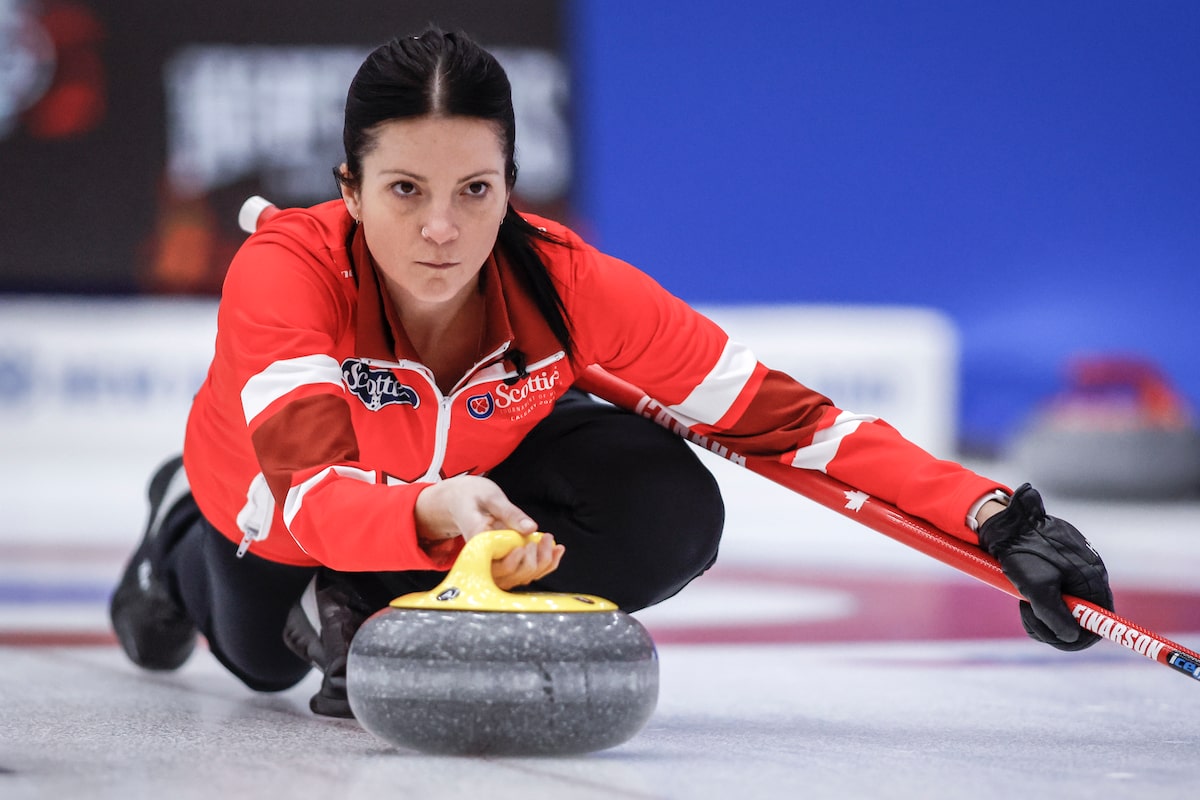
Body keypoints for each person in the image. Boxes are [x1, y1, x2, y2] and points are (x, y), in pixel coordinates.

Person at [110, 27, 1113, 718]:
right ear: (349, 188)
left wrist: (998, 523)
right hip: (271, 501)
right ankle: (173, 535)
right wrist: (427, 511)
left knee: (669, 506)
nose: (442, 229)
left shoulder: (565, 282)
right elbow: (318, 490)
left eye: (475, 189)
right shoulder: (284, 272)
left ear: (513, 186)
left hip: (455, 497)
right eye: (405, 190)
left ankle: (372, 605)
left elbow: (787, 424)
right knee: (263, 656)